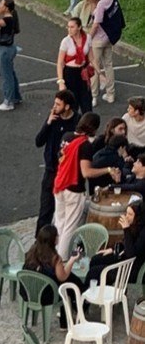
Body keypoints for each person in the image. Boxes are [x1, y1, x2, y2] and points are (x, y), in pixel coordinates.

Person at [52, 111, 106, 259]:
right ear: (94, 128)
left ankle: (52, 256)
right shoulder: (85, 145)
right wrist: (107, 170)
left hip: (60, 185)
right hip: (74, 189)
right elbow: (86, 172)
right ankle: (62, 261)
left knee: (59, 224)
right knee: (70, 228)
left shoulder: (66, 137)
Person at [35, 91, 78, 232]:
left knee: (65, 211)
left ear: (67, 107)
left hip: (68, 174)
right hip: (51, 170)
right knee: (45, 210)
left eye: (58, 104)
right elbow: (39, 141)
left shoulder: (76, 122)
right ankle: (39, 243)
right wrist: (48, 123)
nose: (54, 106)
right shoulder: (53, 119)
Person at [90, 0, 120, 104]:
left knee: (95, 66)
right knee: (108, 65)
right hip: (109, 37)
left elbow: (96, 24)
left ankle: (94, 96)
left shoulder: (101, 4)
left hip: (98, 39)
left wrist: (88, 38)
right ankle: (110, 94)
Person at [0, 0, 21, 112]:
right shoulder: (10, 18)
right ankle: (16, 96)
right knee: (11, 74)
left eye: (1, 4)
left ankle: (8, 101)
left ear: (6, 7)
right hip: (8, 49)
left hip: (5, 50)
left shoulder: (7, 19)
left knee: (7, 76)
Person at [57, 17, 93, 117]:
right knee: (73, 103)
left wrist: (99, 72)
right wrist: (61, 81)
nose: (69, 29)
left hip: (82, 72)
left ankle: (89, 126)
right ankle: (73, 128)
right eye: (68, 27)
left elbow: (91, 57)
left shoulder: (88, 38)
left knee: (86, 102)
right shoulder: (66, 41)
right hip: (70, 73)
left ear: (79, 27)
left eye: (72, 27)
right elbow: (60, 63)